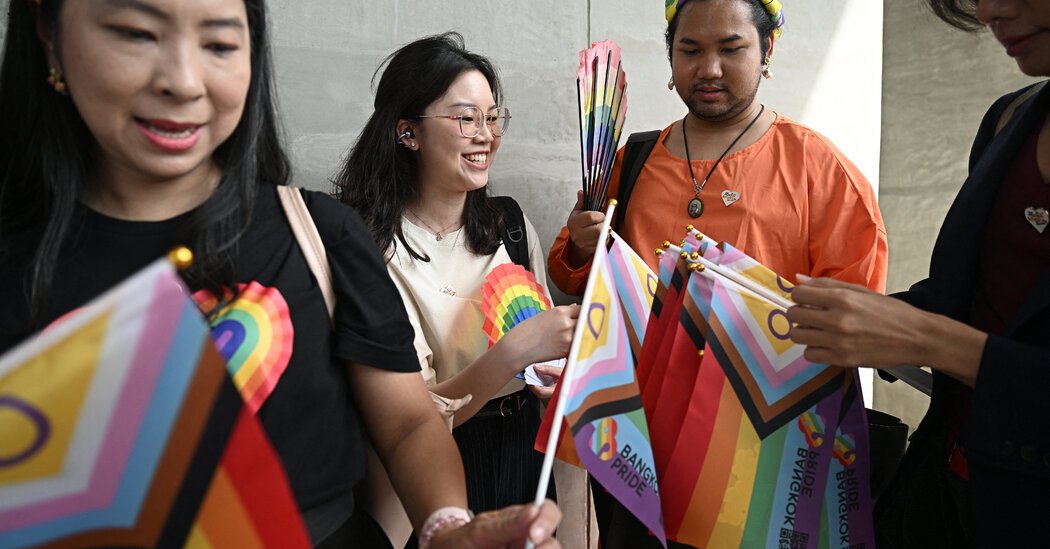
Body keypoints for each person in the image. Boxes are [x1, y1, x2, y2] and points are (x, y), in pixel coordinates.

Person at [0, 2, 561, 548]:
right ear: (48, 31)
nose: (184, 81)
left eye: (219, 43)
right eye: (136, 34)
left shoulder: (322, 236)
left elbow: (408, 424)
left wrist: (447, 528)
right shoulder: (377, 239)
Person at [546, 0, 888, 547]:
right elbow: (571, 280)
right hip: (636, 440)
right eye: (690, 50)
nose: (709, 68)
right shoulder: (633, 160)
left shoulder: (818, 168)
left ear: (767, 49)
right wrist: (585, 246)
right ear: (670, 57)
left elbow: (855, 317)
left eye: (731, 49)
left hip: (758, 451)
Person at [786, 0, 1050, 547]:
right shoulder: (1011, 119)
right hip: (940, 486)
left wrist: (923, 337)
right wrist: (863, 319)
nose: (989, 11)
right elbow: (973, 293)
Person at [334, 33, 579, 546]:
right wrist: (514, 353)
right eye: (466, 119)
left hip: (524, 452)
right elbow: (409, 418)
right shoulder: (368, 251)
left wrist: (551, 372)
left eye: (492, 118)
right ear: (408, 133)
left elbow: (544, 358)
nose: (486, 135)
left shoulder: (510, 226)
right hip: (427, 471)